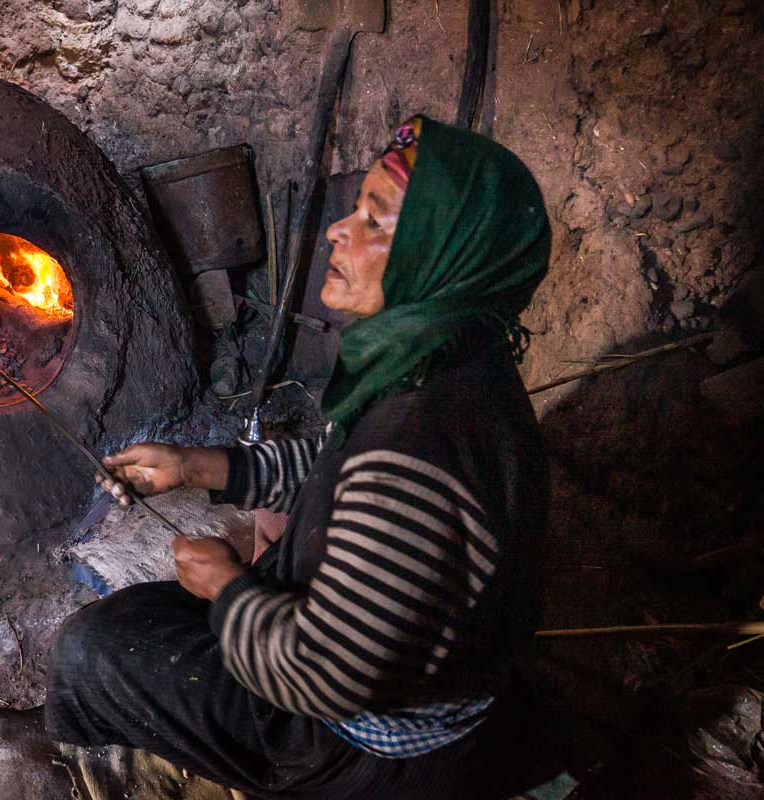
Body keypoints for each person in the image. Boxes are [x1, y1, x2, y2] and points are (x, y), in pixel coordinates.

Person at [44, 116, 551, 799]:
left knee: (91, 652)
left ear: (440, 252)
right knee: (144, 621)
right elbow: (337, 466)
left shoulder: (420, 441)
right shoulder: (456, 361)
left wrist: (225, 586)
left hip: (355, 752)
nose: (341, 230)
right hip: (399, 677)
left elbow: (322, 677)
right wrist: (200, 469)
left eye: (377, 221)